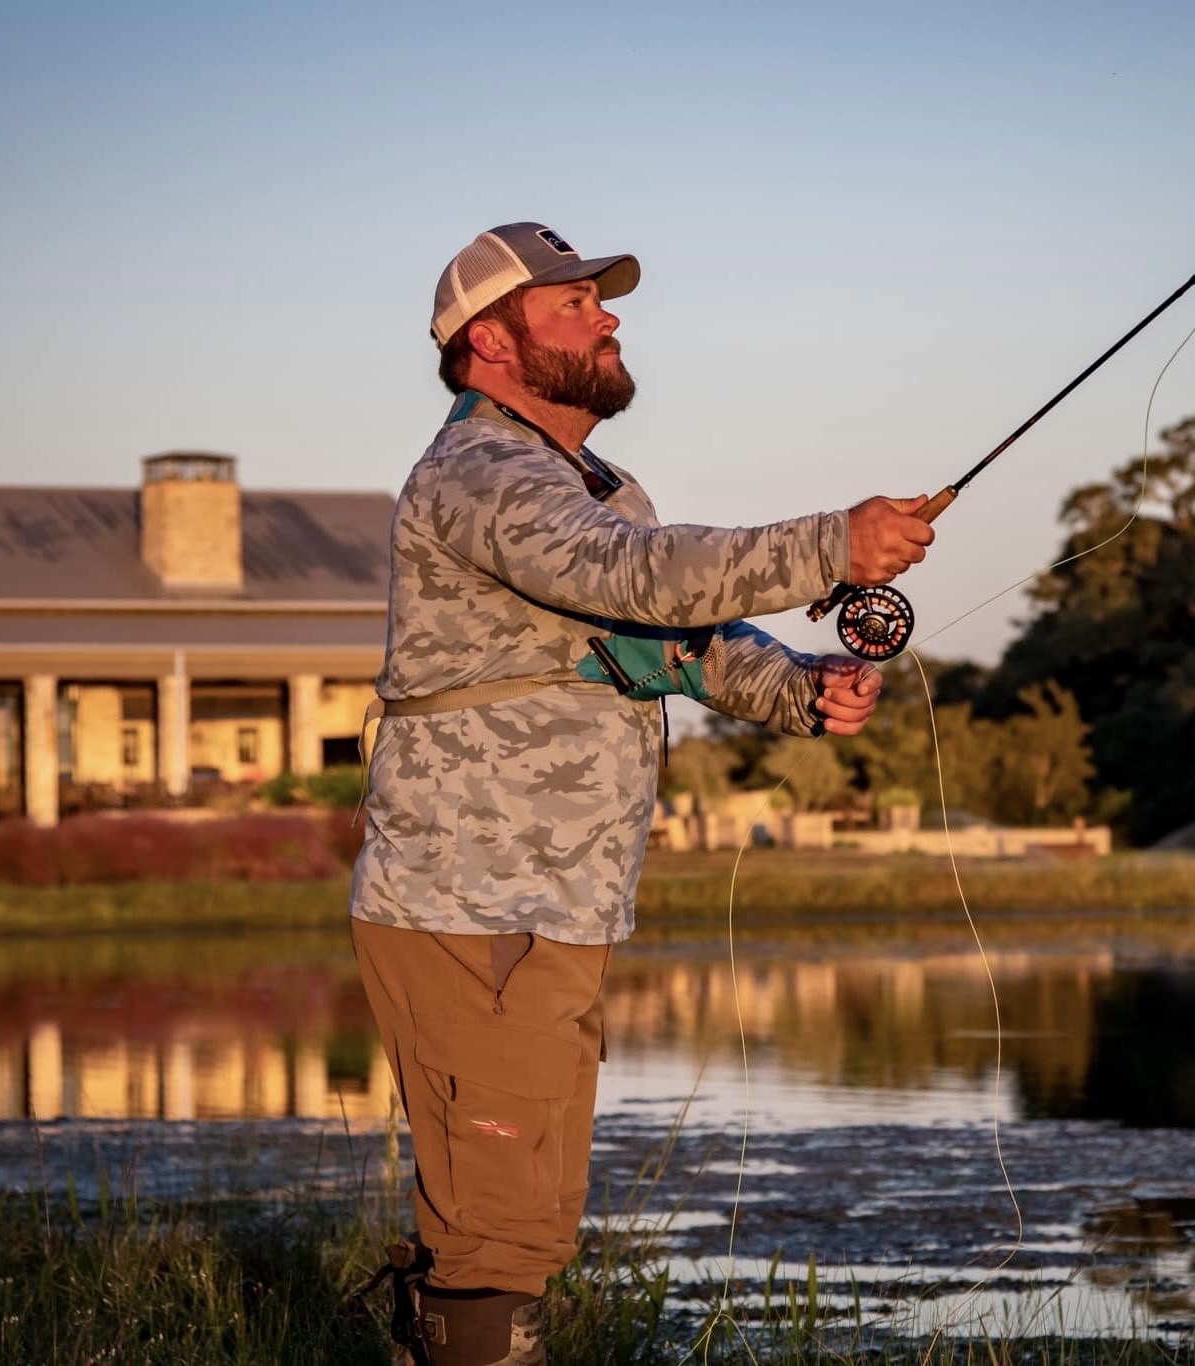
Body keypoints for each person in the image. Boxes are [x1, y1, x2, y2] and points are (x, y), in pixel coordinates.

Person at [349, 221, 934, 1365]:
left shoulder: (601, 484)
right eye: (572, 305)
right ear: (489, 342)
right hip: (468, 903)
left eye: (600, 301)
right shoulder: (476, 472)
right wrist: (832, 546)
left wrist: (800, 689)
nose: (608, 317)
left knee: (520, 1216)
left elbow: (674, 631)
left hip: (557, 905)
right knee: (497, 1230)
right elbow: (631, 576)